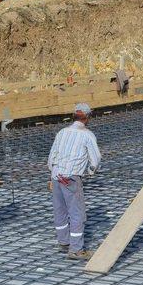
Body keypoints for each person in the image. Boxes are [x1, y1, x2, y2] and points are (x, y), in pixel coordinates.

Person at [48, 103, 102, 260]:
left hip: (56, 175)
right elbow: (96, 158)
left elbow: (52, 156)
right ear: (87, 117)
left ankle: (64, 242)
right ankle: (76, 250)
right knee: (77, 213)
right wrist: (91, 171)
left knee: (60, 210)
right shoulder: (87, 135)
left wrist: (52, 173)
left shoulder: (62, 132)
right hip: (71, 177)